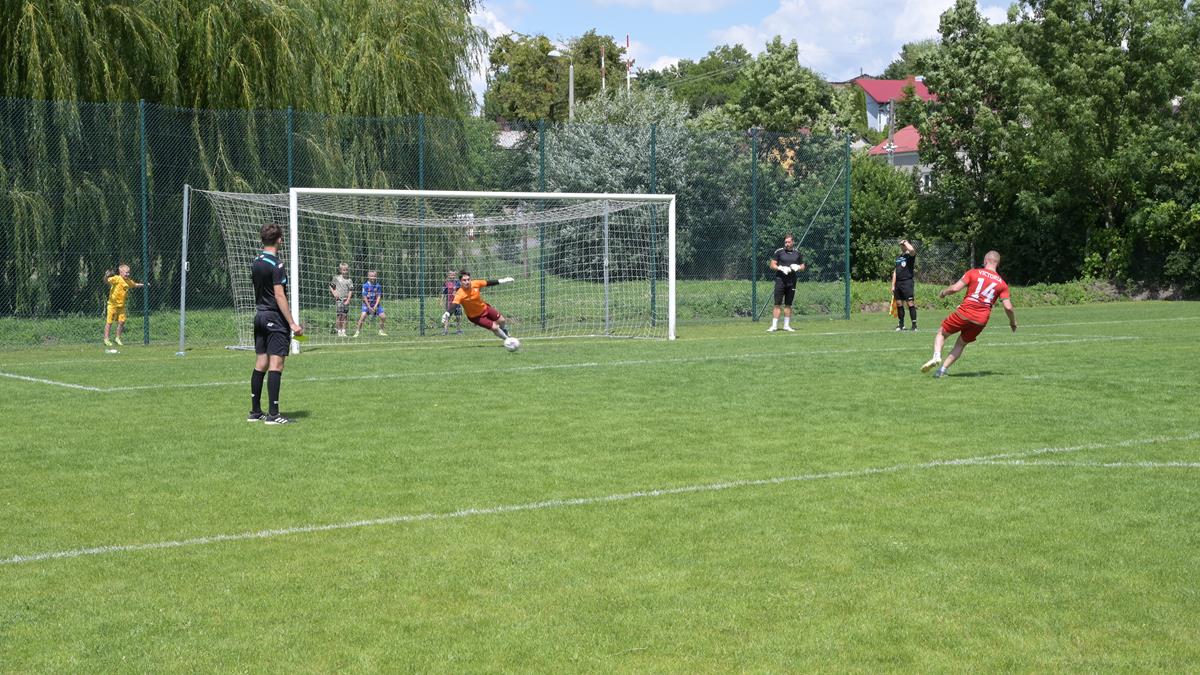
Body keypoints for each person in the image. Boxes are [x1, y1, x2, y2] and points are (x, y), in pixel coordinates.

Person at [921, 250, 1017, 378]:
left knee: (942, 333)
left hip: (964, 313)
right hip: (981, 320)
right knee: (961, 344)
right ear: (998, 263)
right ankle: (942, 370)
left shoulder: (974, 272)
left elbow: (955, 288)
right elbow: (1008, 307)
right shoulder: (1002, 284)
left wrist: (943, 293)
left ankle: (937, 356)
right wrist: (1012, 322)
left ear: (985, 261)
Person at [248, 223, 303, 424]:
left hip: (260, 316)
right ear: (279, 239)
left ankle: (255, 412)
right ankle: (273, 414)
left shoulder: (256, 262)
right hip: (274, 318)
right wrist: (292, 324)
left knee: (261, 362)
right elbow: (279, 295)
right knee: (276, 364)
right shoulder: (276, 265)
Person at [442, 270, 515, 342]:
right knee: (495, 328)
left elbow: (488, 283)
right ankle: (508, 340)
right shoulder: (460, 293)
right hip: (475, 317)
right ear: (460, 281)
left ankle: (504, 330)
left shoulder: (475, 283)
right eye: (464, 280)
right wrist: (447, 313)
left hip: (485, 308)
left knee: (502, 320)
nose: (467, 282)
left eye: (468, 279)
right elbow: (454, 304)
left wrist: (504, 280)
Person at [767, 234, 806, 332]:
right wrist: (780, 268)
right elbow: (772, 265)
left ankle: (786, 326)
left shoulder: (797, 253)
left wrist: (798, 267)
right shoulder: (779, 252)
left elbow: (803, 266)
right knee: (777, 304)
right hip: (780, 280)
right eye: (785, 242)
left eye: (788, 242)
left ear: (792, 242)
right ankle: (774, 326)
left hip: (792, 281)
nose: (787, 244)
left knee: (788, 304)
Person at [103, 264, 145, 346]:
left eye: (128, 272)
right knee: (109, 322)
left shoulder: (128, 281)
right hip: (112, 305)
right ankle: (106, 339)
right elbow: (106, 281)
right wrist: (106, 275)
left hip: (121, 306)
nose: (128, 274)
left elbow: (135, 285)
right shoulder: (116, 278)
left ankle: (117, 338)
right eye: (126, 272)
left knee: (122, 322)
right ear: (121, 272)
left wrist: (144, 285)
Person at [891, 239, 918, 331]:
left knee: (910, 303)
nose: (902, 246)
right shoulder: (899, 257)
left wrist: (905, 242)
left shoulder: (910, 256)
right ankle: (901, 324)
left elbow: (912, 250)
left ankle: (914, 325)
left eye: (903, 245)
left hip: (907, 282)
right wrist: (893, 285)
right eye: (901, 245)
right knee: (899, 303)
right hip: (898, 283)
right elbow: (895, 271)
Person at [354, 270, 387, 337]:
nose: (373, 277)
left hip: (375, 305)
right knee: (362, 317)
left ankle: (381, 331)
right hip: (367, 304)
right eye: (371, 276)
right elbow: (364, 297)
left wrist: (376, 305)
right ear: (368, 276)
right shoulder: (365, 285)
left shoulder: (378, 285)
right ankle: (357, 332)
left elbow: (379, 296)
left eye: (374, 276)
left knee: (383, 317)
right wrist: (369, 307)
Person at [329, 262, 353, 337]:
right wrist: (334, 293)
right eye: (343, 270)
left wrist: (348, 299)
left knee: (345, 315)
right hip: (339, 299)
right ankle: (339, 330)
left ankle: (344, 331)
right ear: (340, 270)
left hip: (346, 300)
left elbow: (350, 290)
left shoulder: (349, 280)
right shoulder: (336, 278)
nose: (345, 271)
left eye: (346, 270)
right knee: (339, 315)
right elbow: (331, 286)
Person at [441, 269, 463, 335]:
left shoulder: (458, 282)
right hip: (449, 303)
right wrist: (441, 300)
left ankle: (458, 330)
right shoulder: (446, 283)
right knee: (447, 316)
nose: (452, 276)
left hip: (457, 302)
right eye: (451, 274)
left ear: (455, 275)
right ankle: (445, 331)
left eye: (453, 274)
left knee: (458, 316)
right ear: (448, 275)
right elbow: (443, 293)